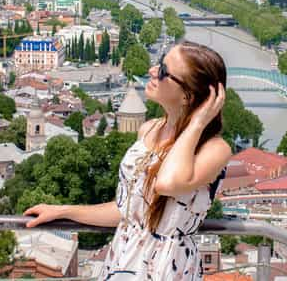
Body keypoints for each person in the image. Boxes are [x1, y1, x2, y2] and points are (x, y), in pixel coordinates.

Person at [24, 41, 232, 280]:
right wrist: (63, 211)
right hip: (123, 256)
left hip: (167, 267)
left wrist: (197, 122)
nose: (153, 71)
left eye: (164, 71)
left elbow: (167, 183)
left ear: (187, 95)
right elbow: (128, 211)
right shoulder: (149, 130)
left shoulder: (214, 150)